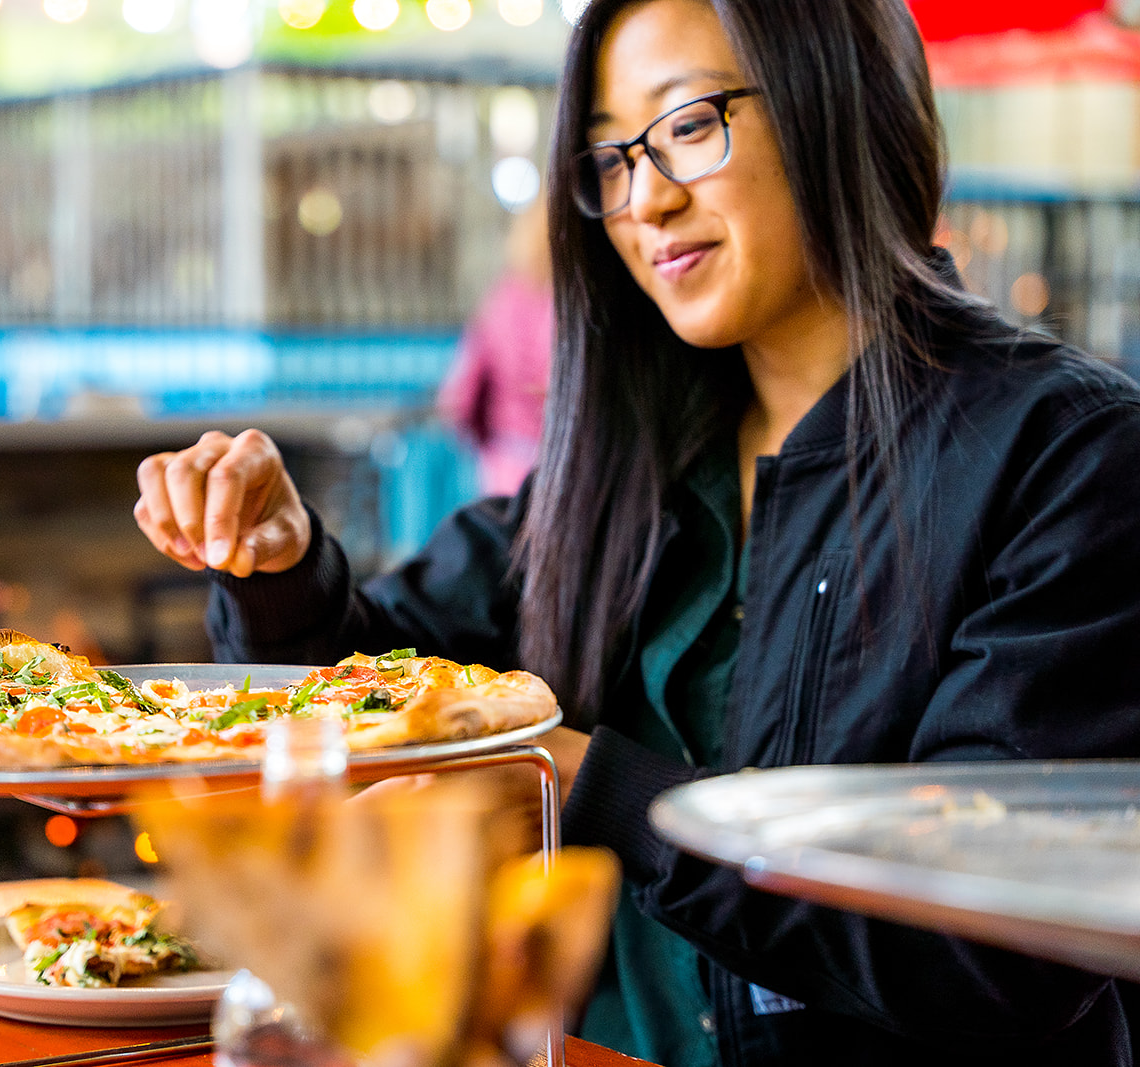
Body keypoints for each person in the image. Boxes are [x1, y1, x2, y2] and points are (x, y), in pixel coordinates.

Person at [131, 0, 1140, 1063]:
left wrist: (586, 788)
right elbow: (368, 694)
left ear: (838, 105)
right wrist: (280, 566)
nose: (645, 199)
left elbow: (992, 951)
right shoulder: (635, 459)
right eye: (610, 156)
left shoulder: (1064, 456)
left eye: (691, 124)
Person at [437, 193, 554, 496]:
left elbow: (460, 396)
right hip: (570, 465)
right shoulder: (582, 306)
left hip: (505, 465)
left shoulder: (503, 300)